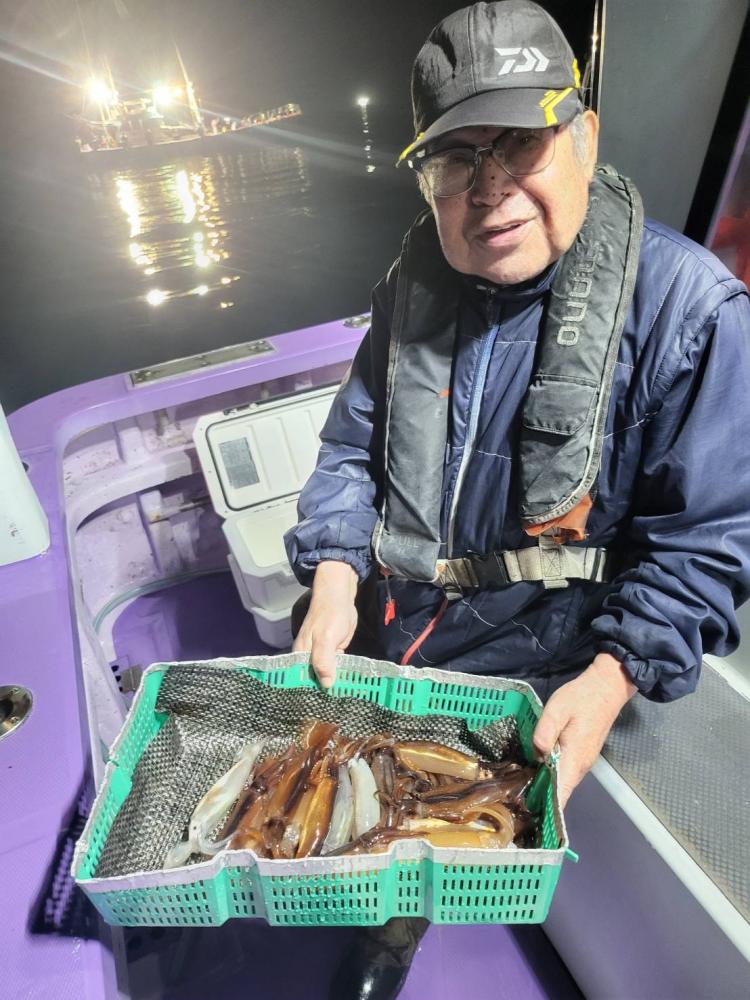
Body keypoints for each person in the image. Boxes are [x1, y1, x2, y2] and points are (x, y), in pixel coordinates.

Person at [285, 2, 750, 998]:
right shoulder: (413, 283)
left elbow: (710, 542)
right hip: (392, 625)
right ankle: (382, 916)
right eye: (456, 159)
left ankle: (403, 924)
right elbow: (352, 444)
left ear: (584, 136)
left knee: (448, 823)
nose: (488, 188)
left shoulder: (691, 313)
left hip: (538, 655)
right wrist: (333, 571)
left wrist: (617, 674)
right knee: (356, 807)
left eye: (519, 144)